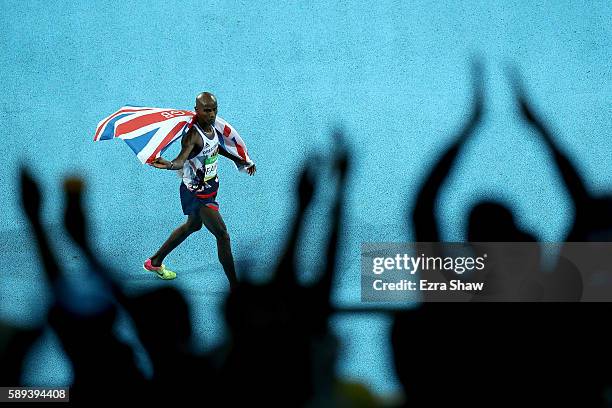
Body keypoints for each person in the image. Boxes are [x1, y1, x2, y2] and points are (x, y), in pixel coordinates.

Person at [144, 92, 255, 289]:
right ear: (197, 110)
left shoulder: (212, 127)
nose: (211, 114)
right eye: (206, 110)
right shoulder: (192, 136)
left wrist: (240, 160)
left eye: (214, 109)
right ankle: (236, 288)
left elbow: (215, 148)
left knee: (193, 225)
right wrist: (169, 165)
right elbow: (181, 160)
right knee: (222, 235)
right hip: (196, 193)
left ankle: (154, 262)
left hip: (210, 186)